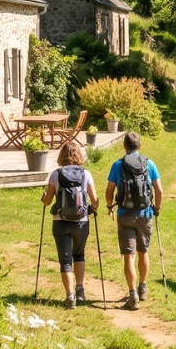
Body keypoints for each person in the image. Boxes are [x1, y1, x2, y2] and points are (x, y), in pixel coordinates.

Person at [105, 131, 163, 311]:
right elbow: (159, 191)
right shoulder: (149, 163)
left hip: (124, 214)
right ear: (140, 146)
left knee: (128, 256)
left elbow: (109, 193)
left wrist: (110, 207)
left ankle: (132, 296)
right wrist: (157, 209)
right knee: (143, 252)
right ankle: (143, 288)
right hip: (145, 213)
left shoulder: (118, 165)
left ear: (124, 146)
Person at [40, 141, 99, 310]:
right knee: (79, 254)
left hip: (60, 222)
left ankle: (70, 297)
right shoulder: (86, 174)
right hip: (81, 221)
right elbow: (94, 200)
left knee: (65, 260)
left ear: (61, 156)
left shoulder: (55, 175)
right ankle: (80, 290)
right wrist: (94, 209)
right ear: (78, 155)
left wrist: (43, 197)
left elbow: (48, 201)